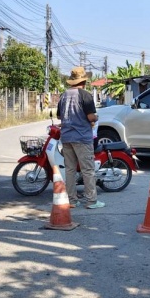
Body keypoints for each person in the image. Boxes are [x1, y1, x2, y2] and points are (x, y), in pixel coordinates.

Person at [57, 66, 104, 209]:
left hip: (66, 137)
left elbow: (59, 116)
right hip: (82, 138)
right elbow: (91, 117)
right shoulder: (85, 95)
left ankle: (72, 200)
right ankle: (91, 201)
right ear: (83, 81)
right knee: (88, 170)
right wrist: (95, 117)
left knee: (70, 170)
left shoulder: (64, 95)